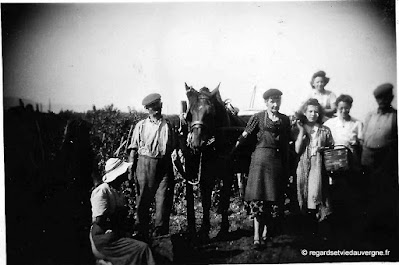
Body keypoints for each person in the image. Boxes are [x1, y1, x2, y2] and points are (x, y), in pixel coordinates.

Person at [231, 88, 291, 249]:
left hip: (276, 163)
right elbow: (245, 134)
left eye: (277, 100)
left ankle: (265, 233)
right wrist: (233, 149)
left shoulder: (285, 120)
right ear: (266, 102)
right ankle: (256, 236)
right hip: (259, 162)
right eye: (272, 101)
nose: (275, 104)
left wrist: (287, 166)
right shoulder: (258, 117)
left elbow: (286, 144)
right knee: (258, 199)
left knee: (272, 200)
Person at [128, 93, 176, 240]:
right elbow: (133, 149)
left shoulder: (168, 125)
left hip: (164, 164)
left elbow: (174, 147)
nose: (157, 109)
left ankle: (160, 234)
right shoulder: (141, 126)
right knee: (143, 199)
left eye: (158, 105)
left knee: (163, 199)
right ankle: (141, 233)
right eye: (153, 107)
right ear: (148, 109)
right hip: (145, 164)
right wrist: (131, 168)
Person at [90, 158, 155, 265]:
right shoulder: (102, 191)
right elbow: (99, 220)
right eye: (124, 172)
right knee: (142, 248)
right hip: (104, 237)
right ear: (118, 175)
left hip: (114, 234)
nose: (127, 173)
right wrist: (115, 227)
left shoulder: (117, 193)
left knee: (143, 242)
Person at [361, 83, 398, 239]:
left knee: (383, 194)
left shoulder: (395, 116)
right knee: (366, 193)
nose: (382, 100)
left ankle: (383, 230)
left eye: (385, 97)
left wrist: (389, 162)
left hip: (386, 160)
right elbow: (363, 138)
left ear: (391, 97)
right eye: (379, 98)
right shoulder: (370, 115)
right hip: (367, 159)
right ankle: (367, 228)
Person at [323, 94, 364, 235]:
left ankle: (347, 227)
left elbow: (361, 145)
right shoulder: (329, 124)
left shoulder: (357, 124)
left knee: (348, 193)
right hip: (332, 165)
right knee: (333, 194)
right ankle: (333, 224)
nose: (344, 111)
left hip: (351, 164)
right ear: (337, 108)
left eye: (347, 108)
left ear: (350, 108)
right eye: (341, 108)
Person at [295, 98, 334, 238]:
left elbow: (331, 148)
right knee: (305, 195)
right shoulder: (300, 127)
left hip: (319, 166)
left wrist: (322, 148)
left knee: (318, 195)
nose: (313, 114)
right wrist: (300, 132)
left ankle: (321, 229)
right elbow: (297, 149)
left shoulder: (325, 130)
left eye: (316, 112)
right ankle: (308, 230)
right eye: (310, 111)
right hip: (304, 166)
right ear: (304, 112)